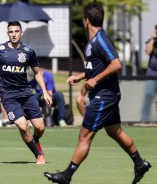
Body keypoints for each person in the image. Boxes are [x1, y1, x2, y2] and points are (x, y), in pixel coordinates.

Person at [44, 3, 151, 184]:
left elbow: (116, 64)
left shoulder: (101, 40)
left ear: (86, 21)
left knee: (85, 135)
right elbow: (97, 67)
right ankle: (139, 163)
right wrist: (80, 77)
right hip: (106, 95)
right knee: (114, 131)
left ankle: (66, 176)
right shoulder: (93, 42)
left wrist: (95, 80)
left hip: (104, 96)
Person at [0, 21, 52, 164]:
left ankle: (35, 140)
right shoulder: (0, 50)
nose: (14, 34)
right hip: (8, 95)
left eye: (16, 31)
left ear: (21, 33)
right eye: (11, 32)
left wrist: (45, 92)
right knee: (23, 126)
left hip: (26, 93)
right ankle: (38, 155)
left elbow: (37, 73)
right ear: (8, 33)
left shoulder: (28, 51)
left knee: (40, 127)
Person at [140, 25, 157, 122]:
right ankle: (145, 118)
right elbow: (147, 51)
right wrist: (152, 38)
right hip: (152, 72)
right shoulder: (152, 40)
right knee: (149, 95)